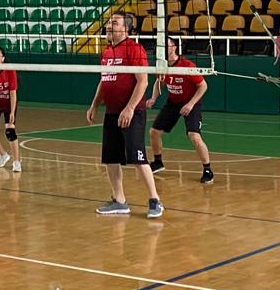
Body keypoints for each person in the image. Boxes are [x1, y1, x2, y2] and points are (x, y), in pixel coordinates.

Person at [86, 12, 163, 218]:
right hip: (112, 112)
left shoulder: (134, 49)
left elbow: (143, 81)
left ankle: (155, 200)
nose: (109, 26)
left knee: (138, 157)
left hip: (132, 112)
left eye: (115, 23)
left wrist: (129, 108)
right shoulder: (106, 52)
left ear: (125, 29)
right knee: (110, 158)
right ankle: (119, 201)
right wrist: (94, 105)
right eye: (109, 22)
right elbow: (105, 80)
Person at [148, 37, 214, 184]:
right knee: (154, 132)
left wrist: (190, 104)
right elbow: (160, 82)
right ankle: (158, 162)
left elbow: (203, 86)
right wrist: (153, 98)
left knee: (194, 136)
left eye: (167, 46)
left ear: (174, 47)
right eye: (161, 47)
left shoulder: (186, 65)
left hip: (192, 102)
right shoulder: (162, 65)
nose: (164, 50)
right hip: (173, 102)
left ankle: (207, 169)